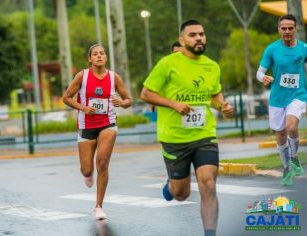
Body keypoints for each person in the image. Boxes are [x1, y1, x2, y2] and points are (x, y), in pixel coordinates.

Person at [141, 19, 234, 236]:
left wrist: (223, 106)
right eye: (193, 35)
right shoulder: (167, 64)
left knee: (208, 183)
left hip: (204, 134)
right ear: (182, 40)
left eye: (201, 34)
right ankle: (172, 185)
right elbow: (146, 94)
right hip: (174, 138)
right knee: (181, 194)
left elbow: (214, 94)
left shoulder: (212, 66)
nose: (199, 38)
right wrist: (174, 104)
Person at [62, 44, 132, 220]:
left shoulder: (114, 77)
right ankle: (88, 174)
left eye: (102, 53)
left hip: (107, 123)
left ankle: (98, 206)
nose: (99, 56)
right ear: (90, 59)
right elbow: (66, 98)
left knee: (102, 162)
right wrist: (82, 107)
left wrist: (121, 103)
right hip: (86, 126)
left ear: (106, 57)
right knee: (86, 169)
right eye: (95, 54)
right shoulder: (82, 76)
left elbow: (128, 100)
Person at [256, 14, 307, 186]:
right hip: (277, 98)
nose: (286, 31)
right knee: (280, 134)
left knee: (291, 126)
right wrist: (263, 78)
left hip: (298, 95)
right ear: (278, 30)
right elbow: (259, 72)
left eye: (290, 28)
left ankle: (294, 159)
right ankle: (287, 168)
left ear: (295, 29)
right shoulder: (271, 49)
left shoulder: (303, 48)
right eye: (283, 28)